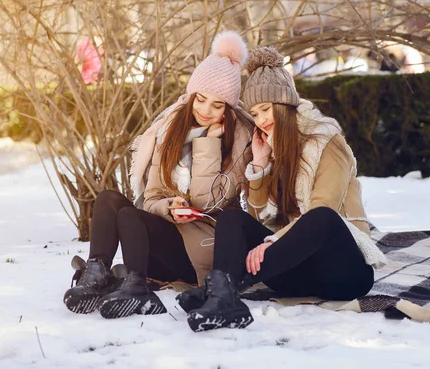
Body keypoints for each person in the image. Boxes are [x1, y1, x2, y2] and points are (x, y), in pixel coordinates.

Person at [176, 46, 387, 332]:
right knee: (231, 217)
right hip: (293, 271)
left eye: (265, 109)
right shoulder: (272, 147)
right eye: (254, 113)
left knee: (321, 217)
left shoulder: (327, 142)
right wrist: (261, 165)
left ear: (285, 103)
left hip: (343, 273)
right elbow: (258, 214)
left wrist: (274, 242)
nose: (261, 120)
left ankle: (224, 289)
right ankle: (223, 291)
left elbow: (324, 208)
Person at [63, 31, 253, 319]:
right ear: (191, 96)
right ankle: (97, 273)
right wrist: (168, 207)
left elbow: (207, 202)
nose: (205, 110)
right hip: (165, 240)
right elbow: (151, 197)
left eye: (217, 106)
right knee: (109, 200)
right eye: (200, 100)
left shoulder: (238, 140)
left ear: (228, 109)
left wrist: (209, 144)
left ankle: (138, 287)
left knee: (129, 216)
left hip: (198, 251)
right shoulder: (172, 129)